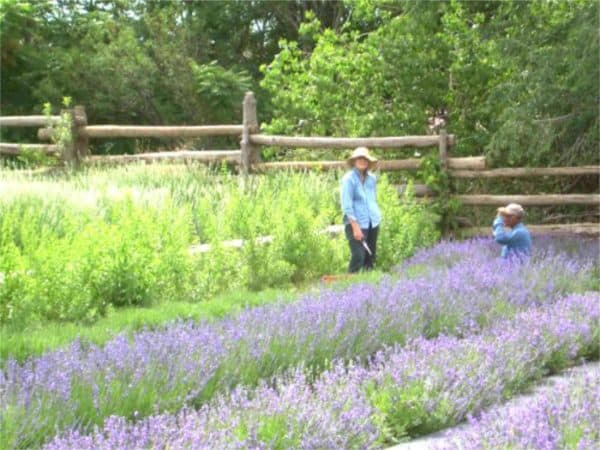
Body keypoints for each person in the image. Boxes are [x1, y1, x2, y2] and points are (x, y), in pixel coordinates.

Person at [340, 147, 382, 273]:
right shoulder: (349, 179)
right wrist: (355, 227)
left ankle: (367, 288)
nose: (362, 161)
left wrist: (377, 216)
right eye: (359, 158)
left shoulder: (372, 178)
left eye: (365, 159)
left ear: (368, 162)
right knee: (359, 256)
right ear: (354, 161)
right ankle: (349, 285)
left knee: (370, 258)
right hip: (356, 223)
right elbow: (346, 205)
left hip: (372, 221)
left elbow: (372, 199)